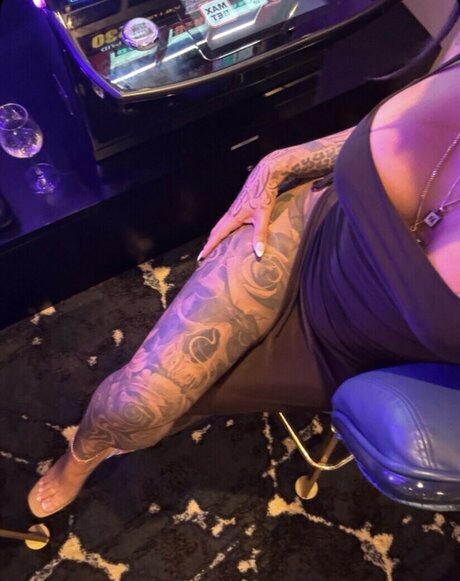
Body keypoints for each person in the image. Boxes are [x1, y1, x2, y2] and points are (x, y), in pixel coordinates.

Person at [28, 8, 460, 518]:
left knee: (190, 399)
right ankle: (80, 457)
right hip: (316, 228)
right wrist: (284, 160)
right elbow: (395, 130)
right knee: (134, 405)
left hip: (367, 356)